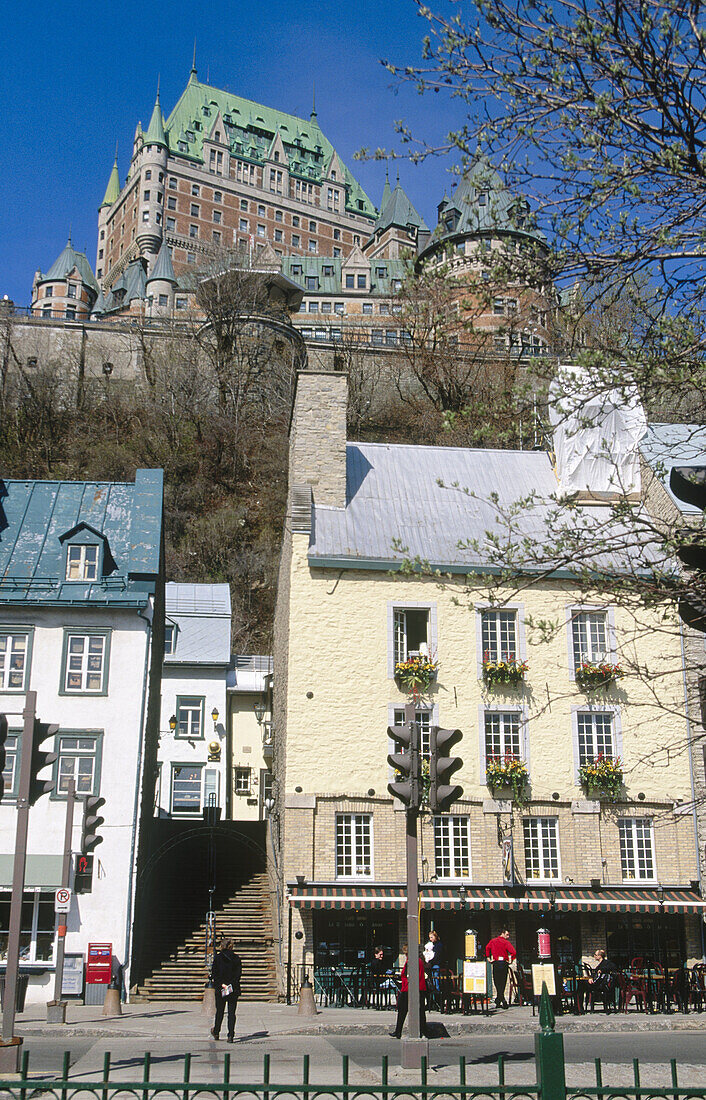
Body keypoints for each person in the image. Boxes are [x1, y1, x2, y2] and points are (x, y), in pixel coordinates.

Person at [389, 945, 429, 1038]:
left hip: (409, 989)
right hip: (420, 988)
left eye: (406, 954)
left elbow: (408, 976)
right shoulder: (420, 961)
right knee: (420, 1011)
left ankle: (398, 1031)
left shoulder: (411, 962)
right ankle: (424, 1031)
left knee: (402, 1010)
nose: (405, 956)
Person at [210, 938, 242, 1042]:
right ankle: (231, 1035)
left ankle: (216, 1031)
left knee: (220, 1011)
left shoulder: (218, 958)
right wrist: (230, 985)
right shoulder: (236, 958)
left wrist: (223, 985)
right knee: (231, 1013)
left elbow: (215, 974)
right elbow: (238, 974)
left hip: (221, 988)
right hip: (233, 988)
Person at [485, 928, 517, 1009]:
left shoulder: (493, 941)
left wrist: (488, 958)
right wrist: (511, 960)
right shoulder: (506, 942)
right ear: (502, 934)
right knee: (503, 982)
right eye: (507, 935)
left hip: (495, 963)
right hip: (504, 963)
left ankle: (499, 999)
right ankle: (502, 999)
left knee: (497, 981)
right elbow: (514, 952)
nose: (508, 936)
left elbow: (487, 948)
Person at [423, 930, 443, 1007]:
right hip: (430, 965)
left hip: (435, 965)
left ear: (435, 937)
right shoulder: (430, 945)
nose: (430, 939)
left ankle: (438, 1001)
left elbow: (437, 957)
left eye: (432, 937)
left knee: (435, 983)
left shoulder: (438, 945)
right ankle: (431, 1001)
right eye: (429, 937)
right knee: (429, 983)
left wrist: (430, 962)